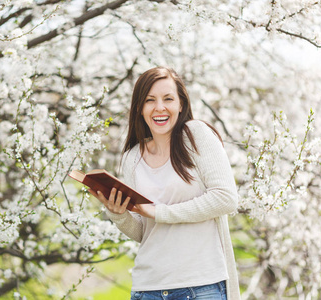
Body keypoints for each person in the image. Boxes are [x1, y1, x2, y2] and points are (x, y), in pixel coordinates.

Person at [89, 67, 240, 300]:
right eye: (150, 100)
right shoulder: (133, 157)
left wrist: (160, 212)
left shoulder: (196, 135)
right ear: (140, 108)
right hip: (148, 287)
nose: (159, 107)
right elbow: (143, 230)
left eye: (168, 99)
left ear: (181, 104)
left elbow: (226, 198)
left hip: (200, 285)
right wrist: (118, 214)